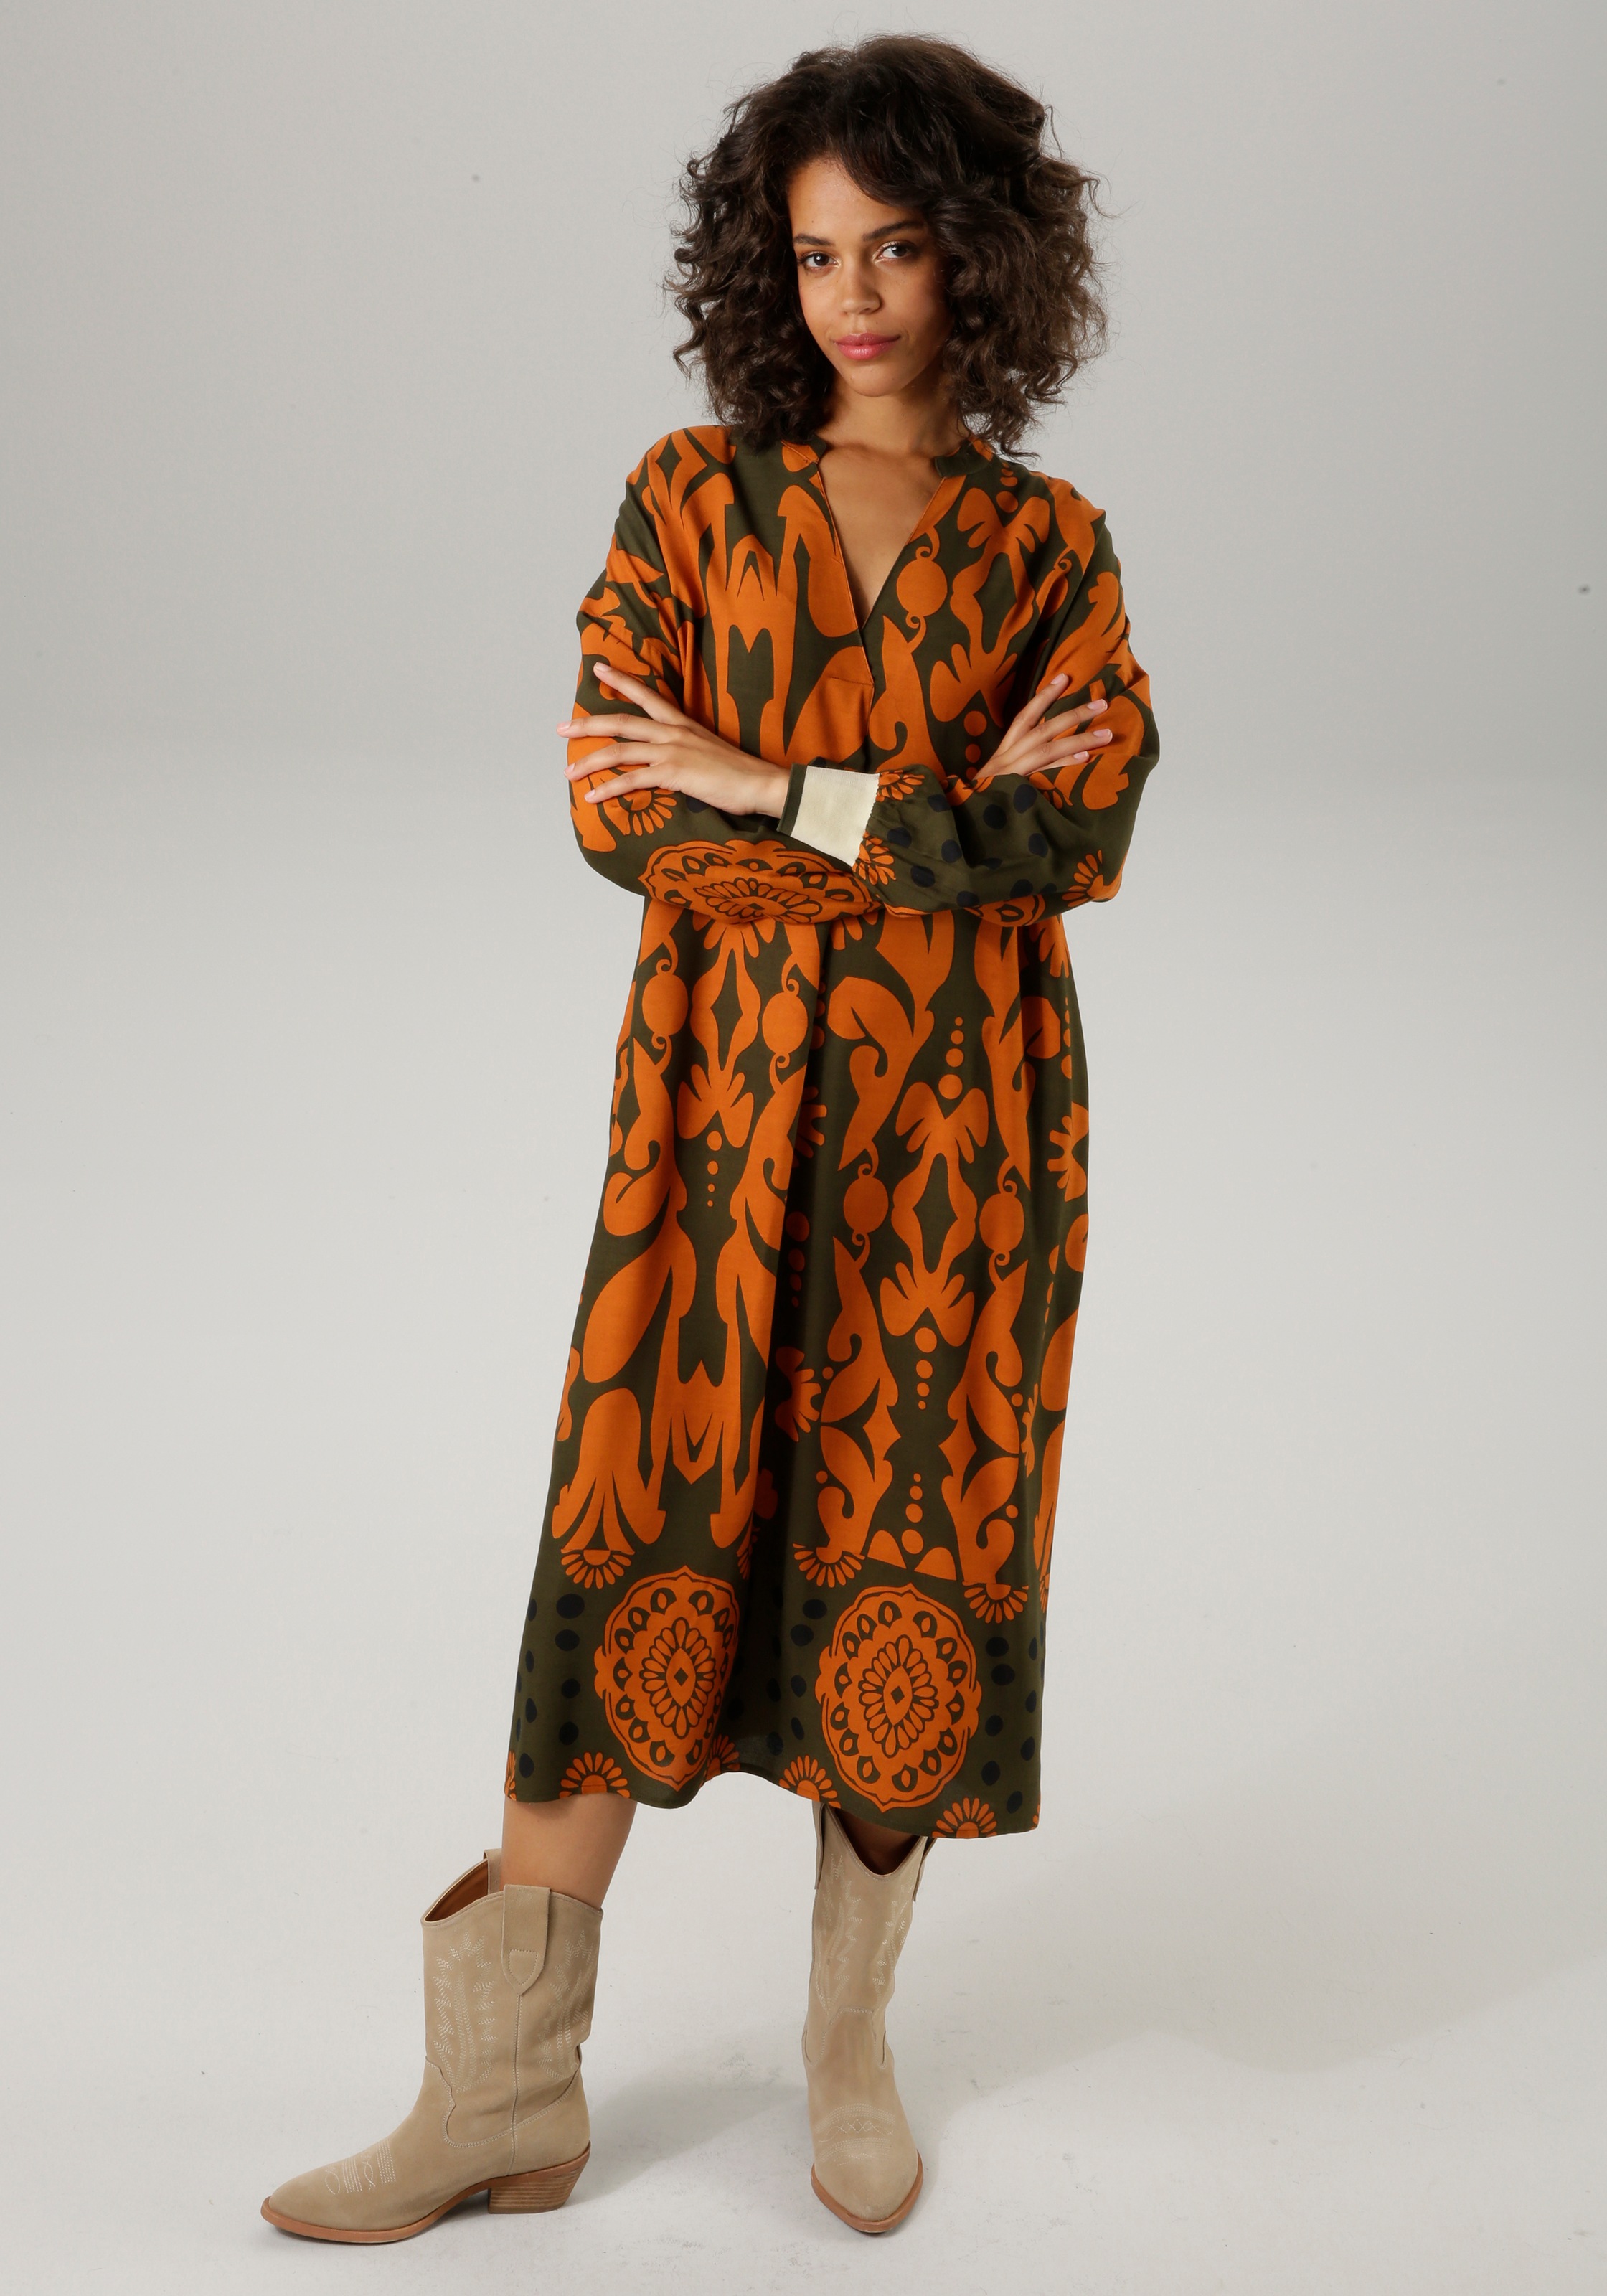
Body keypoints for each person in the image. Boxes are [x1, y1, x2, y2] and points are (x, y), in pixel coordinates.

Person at [261, 31, 1158, 2246]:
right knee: (631, 1534)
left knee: (909, 1549)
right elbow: (621, 808)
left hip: (962, 1147)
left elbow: (1081, 827)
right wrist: (922, 825)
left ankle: (848, 2054)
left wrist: (776, 787)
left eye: (901, 246)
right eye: (818, 251)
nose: (857, 294)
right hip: (713, 1124)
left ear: (983, 259)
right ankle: (502, 2096)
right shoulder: (687, 500)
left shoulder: (1050, 547)